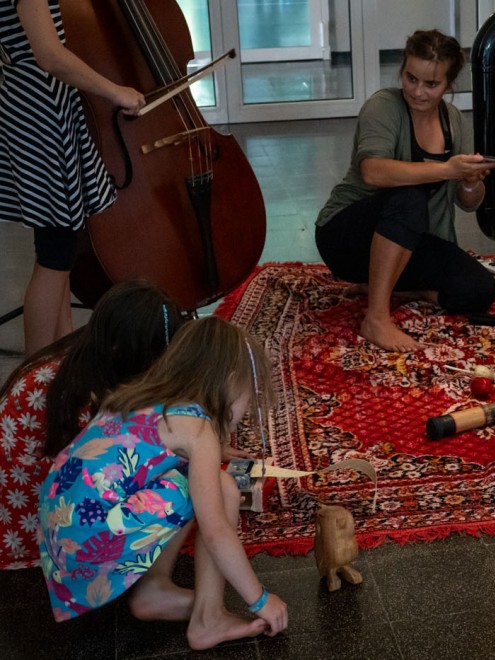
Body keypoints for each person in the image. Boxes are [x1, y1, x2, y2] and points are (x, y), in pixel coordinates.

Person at [37, 317, 288, 650]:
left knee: (187, 476)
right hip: (88, 541)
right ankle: (208, 619)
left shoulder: (140, 396)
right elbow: (216, 532)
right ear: (229, 383)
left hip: (61, 534)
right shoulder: (198, 430)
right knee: (223, 487)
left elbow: (138, 453)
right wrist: (260, 599)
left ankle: (155, 591)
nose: (246, 409)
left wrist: (212, 451)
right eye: (249, 396)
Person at [315, 29, 495, 353]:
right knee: (409, 198)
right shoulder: (383, 106)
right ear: (402, 70)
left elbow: (468, 203)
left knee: (479, 290)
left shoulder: (454, 121)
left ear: (448, 84)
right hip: (344, 236)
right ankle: (376, 318)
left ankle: (389, 288)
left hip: (409, 239)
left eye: (431, 84)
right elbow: (372, 172)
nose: (417, 91)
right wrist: (447, 169)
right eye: (410, 78)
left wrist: (470, 181)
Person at [0, 279, 190, 570]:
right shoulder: (80, 395)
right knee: (184, 492)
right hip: (37, 536)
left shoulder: (79, 361)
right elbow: (114, 470)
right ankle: (154, 588)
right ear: (123, 351)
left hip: (25, 518)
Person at [0, 0, 146, 356]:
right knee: (55, 253)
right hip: (40, 114)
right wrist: (115, 91)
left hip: (40, 107)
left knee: (57, 247)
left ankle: (60, 362)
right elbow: (50, 56)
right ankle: (32, 378)